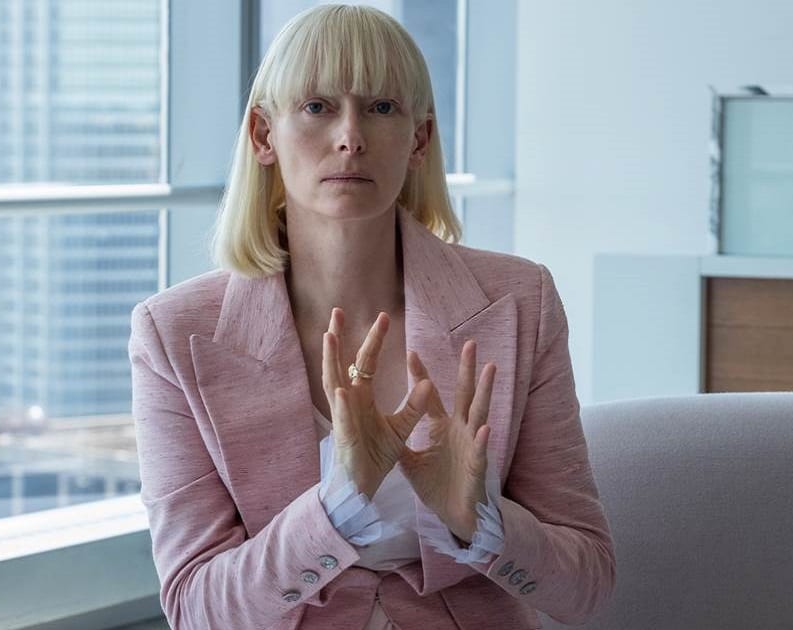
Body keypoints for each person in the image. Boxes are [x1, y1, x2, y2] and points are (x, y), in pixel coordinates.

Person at [127, 5, 615, 628]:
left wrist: (482, 520)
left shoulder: (521, 301)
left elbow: (587, 586)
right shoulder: (173, 333)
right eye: (317, 107)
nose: (351, 136)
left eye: (382, 108)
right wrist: (336, 505)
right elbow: (194, 606)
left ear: (420, 140)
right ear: (263, 136)